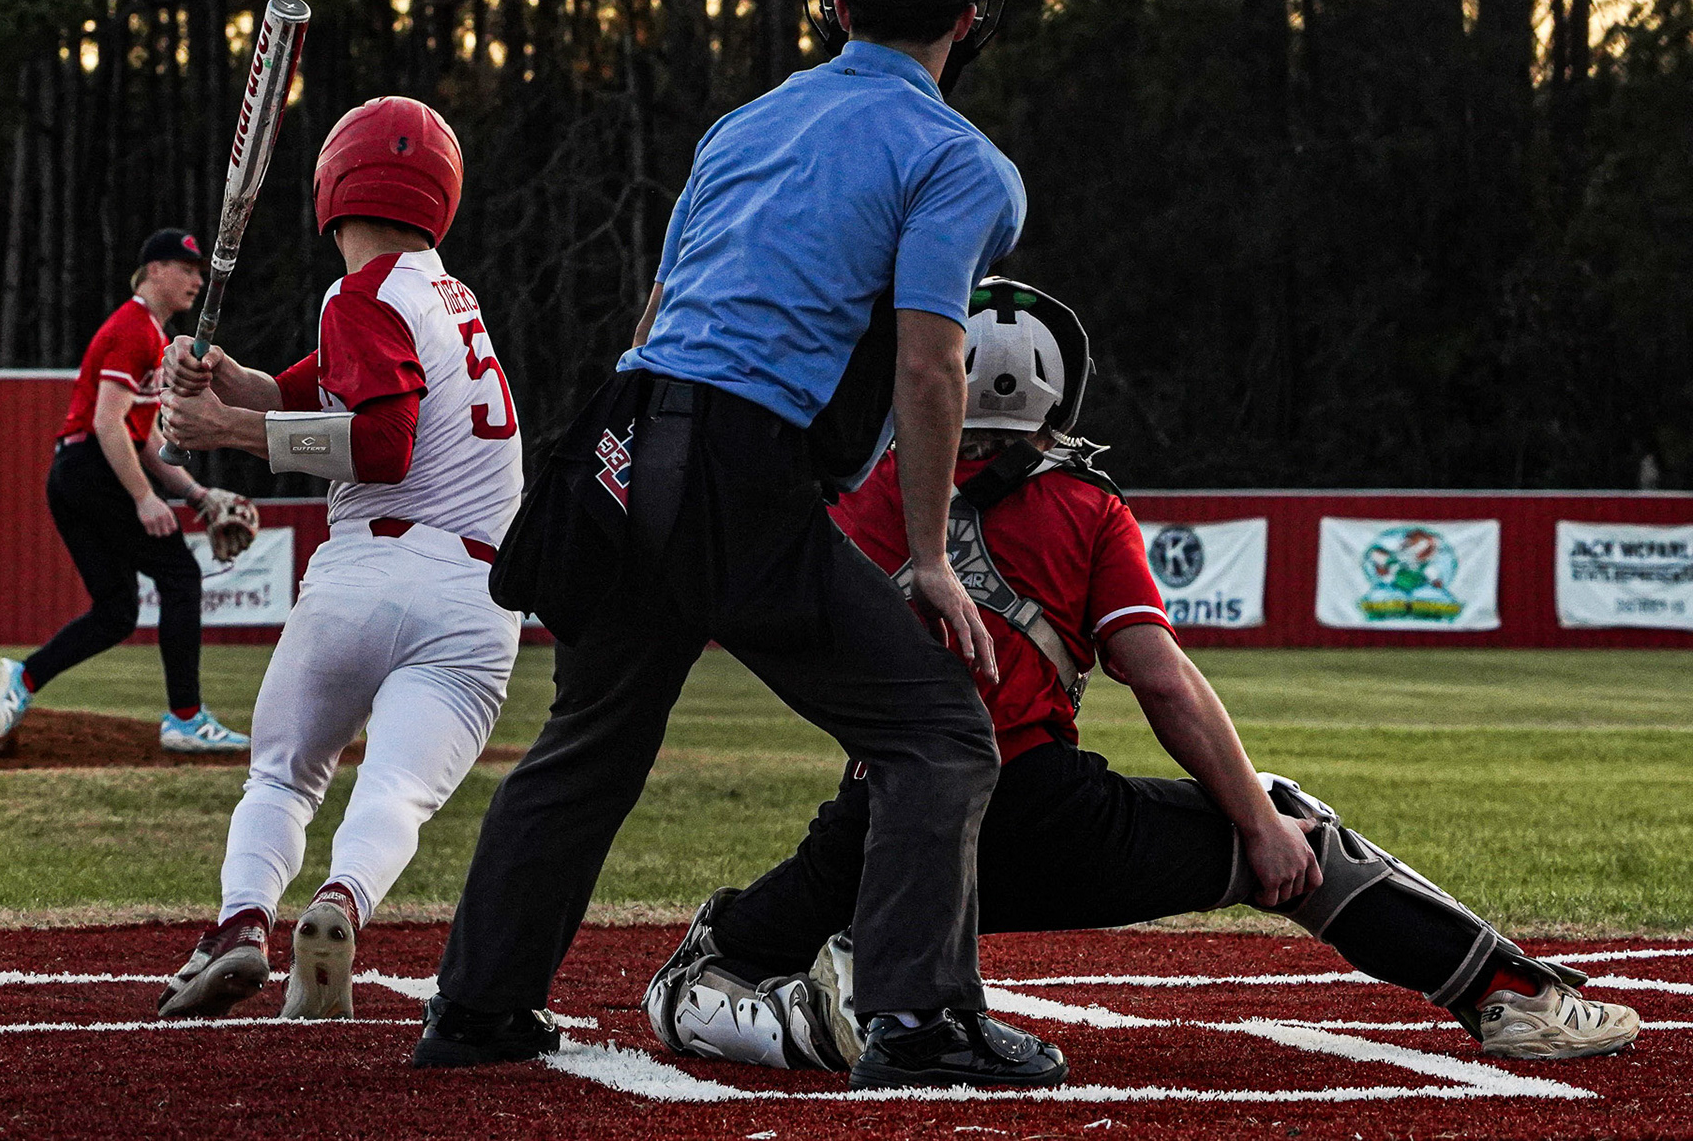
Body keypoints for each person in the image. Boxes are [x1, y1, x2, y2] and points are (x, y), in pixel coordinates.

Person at [642, 279, 1643, 1071]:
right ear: (1058, 391)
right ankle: (1510, 997)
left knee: (700, 971)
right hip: (1047, 815)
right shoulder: (1086, 507)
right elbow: (1163, 684)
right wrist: (1257, 823)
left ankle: (816, 1015)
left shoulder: (859, 495)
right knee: (1297, 829)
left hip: (882, 828)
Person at [412, 0, 1067, 1091]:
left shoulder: (741, 125)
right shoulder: (959, 160)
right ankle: (918, 1019)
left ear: (837, 7)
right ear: (967, 21)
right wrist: (930, 556)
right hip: (739, 459)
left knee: (589, 741)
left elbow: (656, 318)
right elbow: (932, 361)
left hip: (624, 438)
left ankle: (478, 1005)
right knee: (937, 734)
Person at [151, 96, 525, 1023]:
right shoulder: (445, 297)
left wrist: (225, 429)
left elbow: (381, 445)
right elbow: (303, 392)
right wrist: (224, 378)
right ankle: (341, 901)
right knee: (396, 789)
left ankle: (242, 921)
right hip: (476, 600)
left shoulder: (361, 296)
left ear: (334, 186)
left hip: (366, 573)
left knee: (282, 775)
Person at [0, 228, 253, 755]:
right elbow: (108, 423)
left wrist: (197, 495)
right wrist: (144, 498)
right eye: (185, 268)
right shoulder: (134, 328)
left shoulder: (148, 332)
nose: (197, 280)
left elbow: (142, 437)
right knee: (179, 574)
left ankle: (21, 678)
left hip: (75, 472)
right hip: (93, 467)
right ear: (154, 270)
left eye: (198, 271)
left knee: (116, 611)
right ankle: (186, 718)